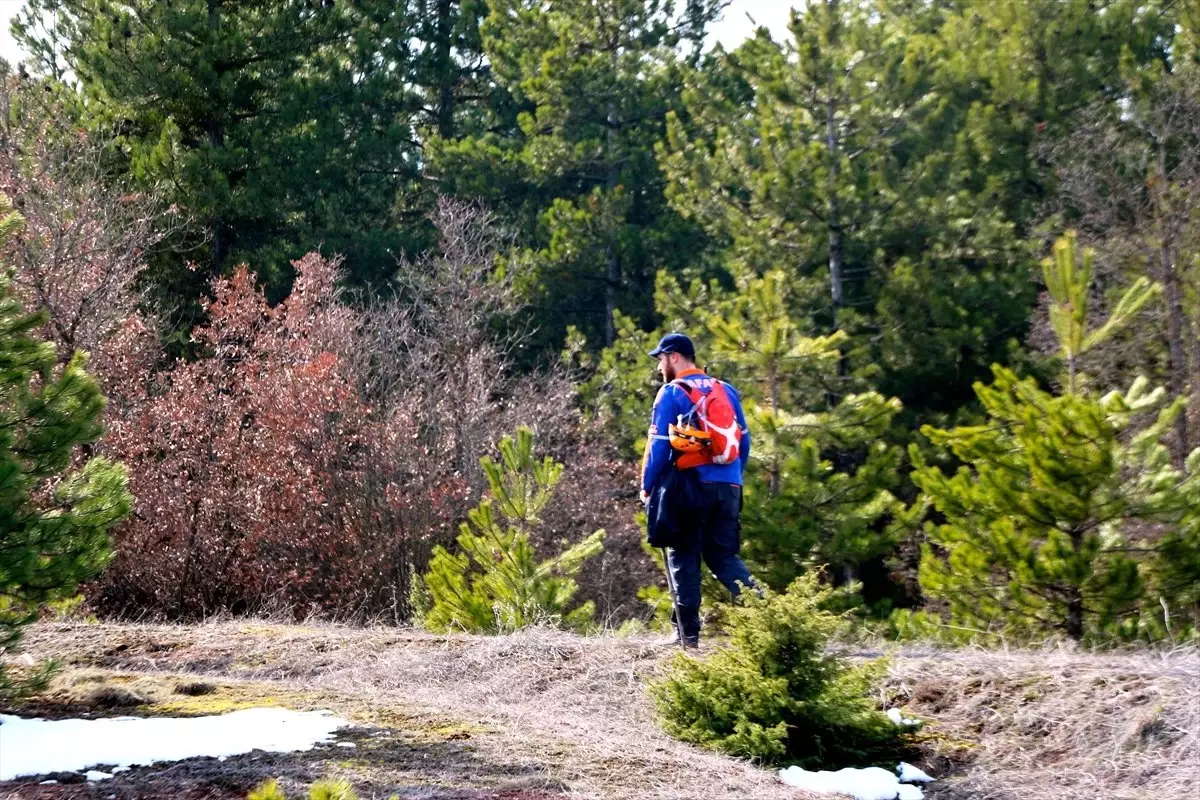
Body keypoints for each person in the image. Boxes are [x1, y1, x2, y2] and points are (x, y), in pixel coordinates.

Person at [640, 332, 756, 647]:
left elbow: (660, 448)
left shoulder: (671, 392)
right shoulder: (726, 390)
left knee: (683, 553)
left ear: (674, 357)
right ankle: (769, 615)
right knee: (723, 556)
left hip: (690, 485)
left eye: (660, 359)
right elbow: (743, 442)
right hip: (729, 484)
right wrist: (734, 478)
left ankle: (686, 637)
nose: (659, 366)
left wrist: (647, 488)